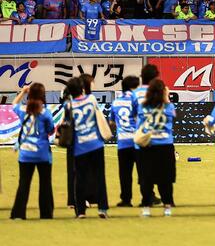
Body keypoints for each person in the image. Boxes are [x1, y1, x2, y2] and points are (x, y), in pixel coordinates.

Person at [65, 76, 109, 218]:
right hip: (96, 143)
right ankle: (102, 208)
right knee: (100, 177)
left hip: (80, 146)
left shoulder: (69, 105)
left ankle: (81, 211)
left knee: (80, 178)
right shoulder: (91, 100)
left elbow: (67, 125)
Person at [10, 83, 54, 219]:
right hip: (42, 153)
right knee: (45, 183)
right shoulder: (45, 113)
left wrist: (23, 92)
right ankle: (46, 213)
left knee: (23, 183)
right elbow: (51, 130)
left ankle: (18, 213)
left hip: (25, 153)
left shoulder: (23, 110)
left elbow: (13, 104)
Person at [137, 79, 176, 217]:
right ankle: (167, 207)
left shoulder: (142, 107)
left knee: (146, 179)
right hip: (165, 146)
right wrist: (166, 96)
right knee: (165, 179)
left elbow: (139, 126)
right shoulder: (168, 107)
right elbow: (173, 117)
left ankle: (146, 207)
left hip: (147, 146)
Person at [110, 75, 140, 208]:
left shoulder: (115, 102)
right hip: (138, 141)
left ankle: (126, 199)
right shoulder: (137, 100)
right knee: (143, 171)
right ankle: (147, 197)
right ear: (133, 87)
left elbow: (111, 122)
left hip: (123, 142)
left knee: (125, 173)